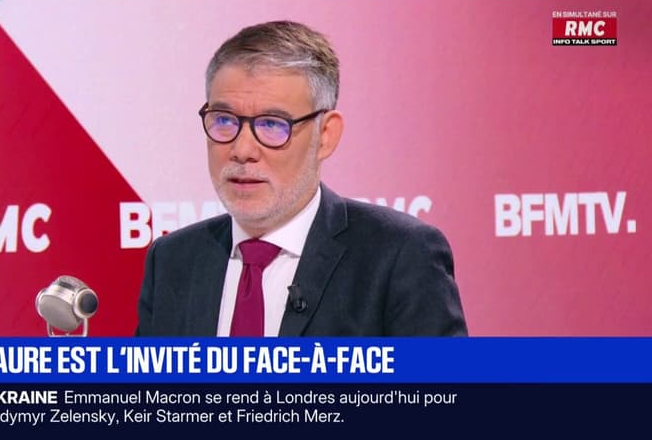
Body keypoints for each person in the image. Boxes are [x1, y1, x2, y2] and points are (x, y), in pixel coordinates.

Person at [135, 20, 467, 336]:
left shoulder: (399, 255)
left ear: (326, 136)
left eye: (271, 124)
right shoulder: (172, 260)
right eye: (224, 120)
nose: (242, 150)